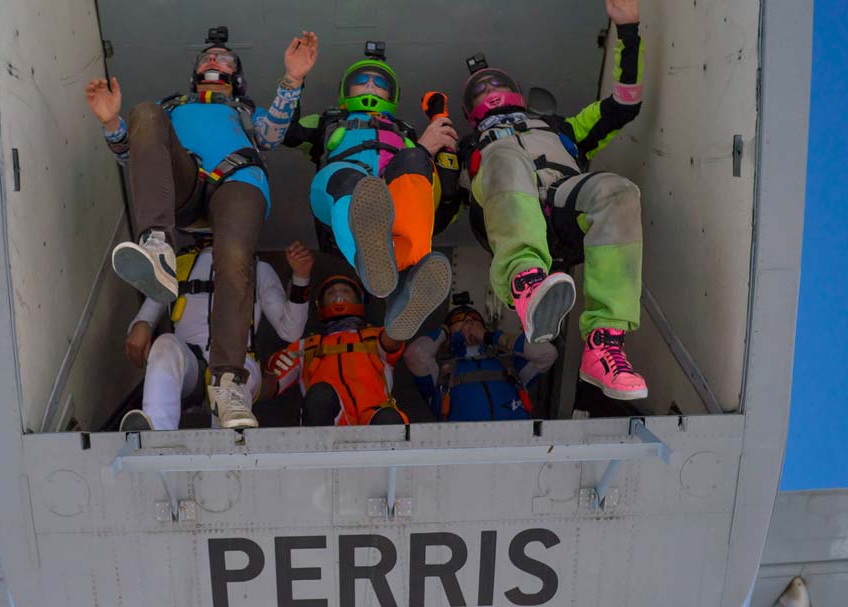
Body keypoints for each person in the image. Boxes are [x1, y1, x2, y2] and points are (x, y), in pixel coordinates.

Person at [85, 27, 319, 426]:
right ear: (195, 72)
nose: (213, 60)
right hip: (186, 182)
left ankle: (229, 386)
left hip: (238, 182)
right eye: (206, 57)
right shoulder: (172, 108)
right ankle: (157, 243)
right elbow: (136, 158)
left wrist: (292, 79)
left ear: (236, 76)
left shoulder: (245, 111)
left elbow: (273, 134)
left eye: (224, 59)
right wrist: (112, 124)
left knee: (234, 258)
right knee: (144, 113)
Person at [454, 0, 649, 400]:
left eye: (498, 85)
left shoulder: (562, 128)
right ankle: (526, 285)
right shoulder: (466, 147)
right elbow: (435, 205)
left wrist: (628, 31)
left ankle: (604, 344)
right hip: (507, 216)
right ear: (468, 111)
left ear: (519, 94)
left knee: (618, 191)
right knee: (504, 155)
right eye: (481, 89)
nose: (490, 91)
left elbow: (624, 104)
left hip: (563, 213)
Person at [283, 41, 458, 342]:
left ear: (392, 95)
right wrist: (293, 80)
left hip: (389, 214)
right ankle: (370, 261)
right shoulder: (329, 121)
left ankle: (404, 286)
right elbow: (287, 132)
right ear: (345, 91)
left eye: (379, 83)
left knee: (414, 159)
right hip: (337, 197)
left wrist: (428, 149)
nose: (370, 86)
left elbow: (436, 200)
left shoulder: (406, 134)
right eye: (361, 80)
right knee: (353, 182)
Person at [119, 240, 314, 430]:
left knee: (234, 377)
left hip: (239, 362)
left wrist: (301, 277)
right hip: (191, 365)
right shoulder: (177, 264)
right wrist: (141, 325)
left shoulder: (258, 269)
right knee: (165, 344)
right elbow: (141, 323)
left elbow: (290, 330)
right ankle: (155, 433)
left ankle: (228, 443)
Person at [265, 274, 407, 426]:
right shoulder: (305, 347)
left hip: (374, 421)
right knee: (320, 394)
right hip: (330, 425)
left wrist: (399, 313)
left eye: (346, 291)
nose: (339, 295)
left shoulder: (374, 337)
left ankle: (406, 306)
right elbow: (266, 391)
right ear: (320, 304)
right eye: (331, 293)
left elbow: (394, 338)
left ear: (360, 301)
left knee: (388, 417)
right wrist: (271, 370)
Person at [405, 303, 557, 421]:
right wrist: (445, 333)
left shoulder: (508, 364)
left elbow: (547, 354)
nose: (469, 320)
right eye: (458, 319)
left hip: (516, 446)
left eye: (474, 317)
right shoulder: (440, 372)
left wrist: (493, 337)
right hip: (464, 453)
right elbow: (415, 354)